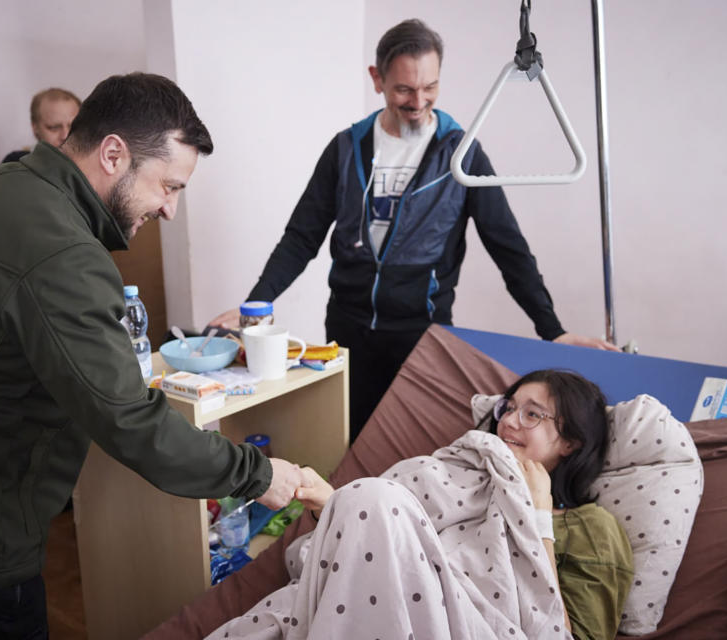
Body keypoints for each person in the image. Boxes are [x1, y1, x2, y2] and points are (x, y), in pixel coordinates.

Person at [0, 72, 306, 638]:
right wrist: (256, 474)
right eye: (169, 186)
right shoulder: (63, 252)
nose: (170, 209)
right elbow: (130, 421)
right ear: (112, 154)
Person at [210, 19, 619, 443]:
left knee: (416, 447)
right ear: (377, 79)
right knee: (349, 442)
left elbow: (508, 248)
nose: (418, 101)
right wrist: (256, 304)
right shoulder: (345, 149)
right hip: (349, 332)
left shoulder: (462, 154)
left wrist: (552, 329)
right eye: (404, 89)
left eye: (430, 87)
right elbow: (301, 237)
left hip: (422, 334)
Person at [210, 370, 634, 640]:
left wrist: (538, 517)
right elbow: (381, 541)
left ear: (571, 442)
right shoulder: (456, 473)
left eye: (532, 415)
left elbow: (571, 634)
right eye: (509, 408)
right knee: (367, 497)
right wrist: (332, 508)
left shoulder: (592, 526)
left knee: (372, 497)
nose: (507, 421)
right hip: (380, 599)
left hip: (467, 626)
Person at [2, 87, 82, 163]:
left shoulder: (90, 166)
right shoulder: (15, 164)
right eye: (54, 127)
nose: (65, 136)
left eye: (73, 126)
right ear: (35, 128)